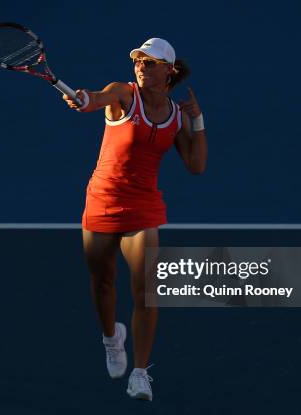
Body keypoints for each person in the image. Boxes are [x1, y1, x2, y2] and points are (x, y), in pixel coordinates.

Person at [63, 38, 208, 401]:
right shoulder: (123, 94)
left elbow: (196, 166)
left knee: (147, 292)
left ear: (169, 71)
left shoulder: (175, 116)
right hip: (102, 200)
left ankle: (140, 373)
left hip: (144, 207)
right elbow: (97, 98)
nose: (142, 67)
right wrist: (86, 99)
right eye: (139, 61)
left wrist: (197, 120)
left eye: (151, 62)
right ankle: (113, 338)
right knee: (102, 283)